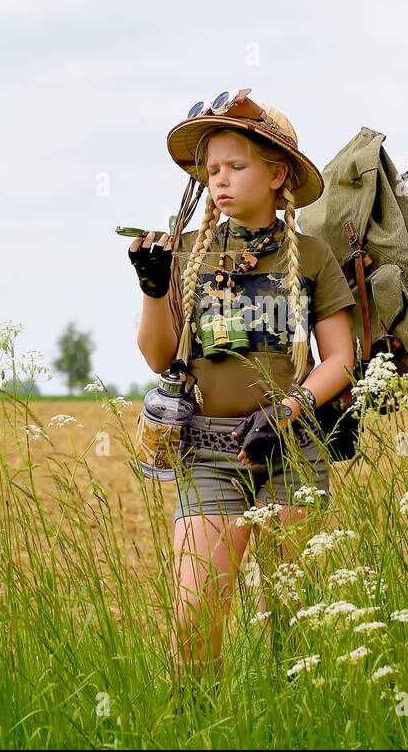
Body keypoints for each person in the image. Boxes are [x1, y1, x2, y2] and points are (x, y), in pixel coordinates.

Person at [127, 90, 356, 688]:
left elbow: (341, 360)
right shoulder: (187, 255)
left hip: (293, 451)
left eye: (236, 167)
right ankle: (196, 724)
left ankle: (292, 722)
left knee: (294, 622)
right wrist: (154, 290)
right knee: (194, 621)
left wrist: (288, 407)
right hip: (208, 452)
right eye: (212, 170)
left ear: (278, 175)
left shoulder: (310, 255)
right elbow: (158, 355)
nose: (219, 181)